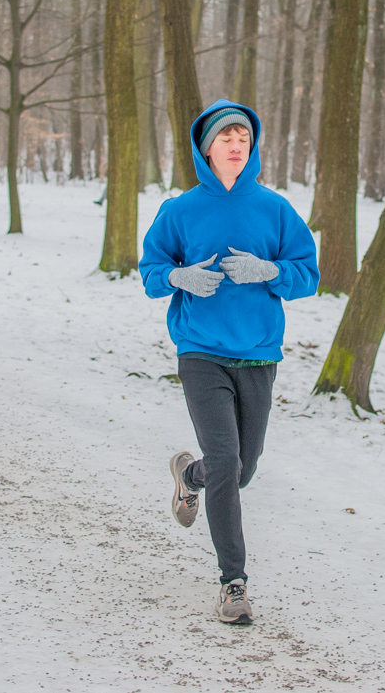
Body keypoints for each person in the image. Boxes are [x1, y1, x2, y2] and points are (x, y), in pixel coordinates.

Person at [140, 100, 319, 625]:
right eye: (226, 137)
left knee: (240, 470)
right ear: (206, 147)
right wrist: (177, 277)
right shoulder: (180, 210)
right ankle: (232, 583)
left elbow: (308, 275)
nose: (236, 145)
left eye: (243, 137)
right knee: (226, 461)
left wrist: (271, 271)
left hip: (258, 353)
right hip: (200, 351)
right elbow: (150, 271)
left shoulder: (275, 209)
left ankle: (190, 475)